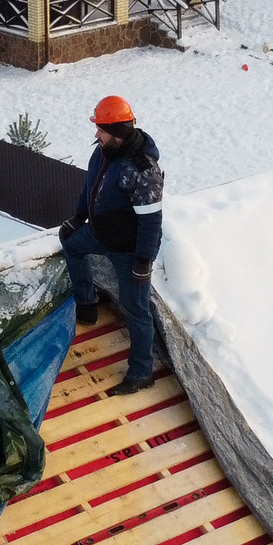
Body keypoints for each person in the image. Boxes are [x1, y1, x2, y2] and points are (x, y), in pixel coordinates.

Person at [59, 95, 163, 396]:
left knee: (136, 310)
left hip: (129, 250)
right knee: (72, 245)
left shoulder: (142, 170)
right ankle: (88, 305)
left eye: (101, 130)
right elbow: (89, 185)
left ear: (117, 132)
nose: (96, 135)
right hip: (100, 235)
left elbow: (151, 222)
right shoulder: (103, 152)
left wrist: (144, 261)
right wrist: (78, 218)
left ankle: (141, 372)